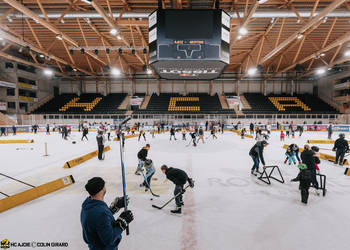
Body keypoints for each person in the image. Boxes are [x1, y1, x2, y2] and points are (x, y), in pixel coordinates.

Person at [81, 177, 133, 250]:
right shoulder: (100, 213)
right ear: (102, 190)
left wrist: (114, 208)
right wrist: (121, 224)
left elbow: (99, 221)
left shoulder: (89, 205)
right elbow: (109, 239)